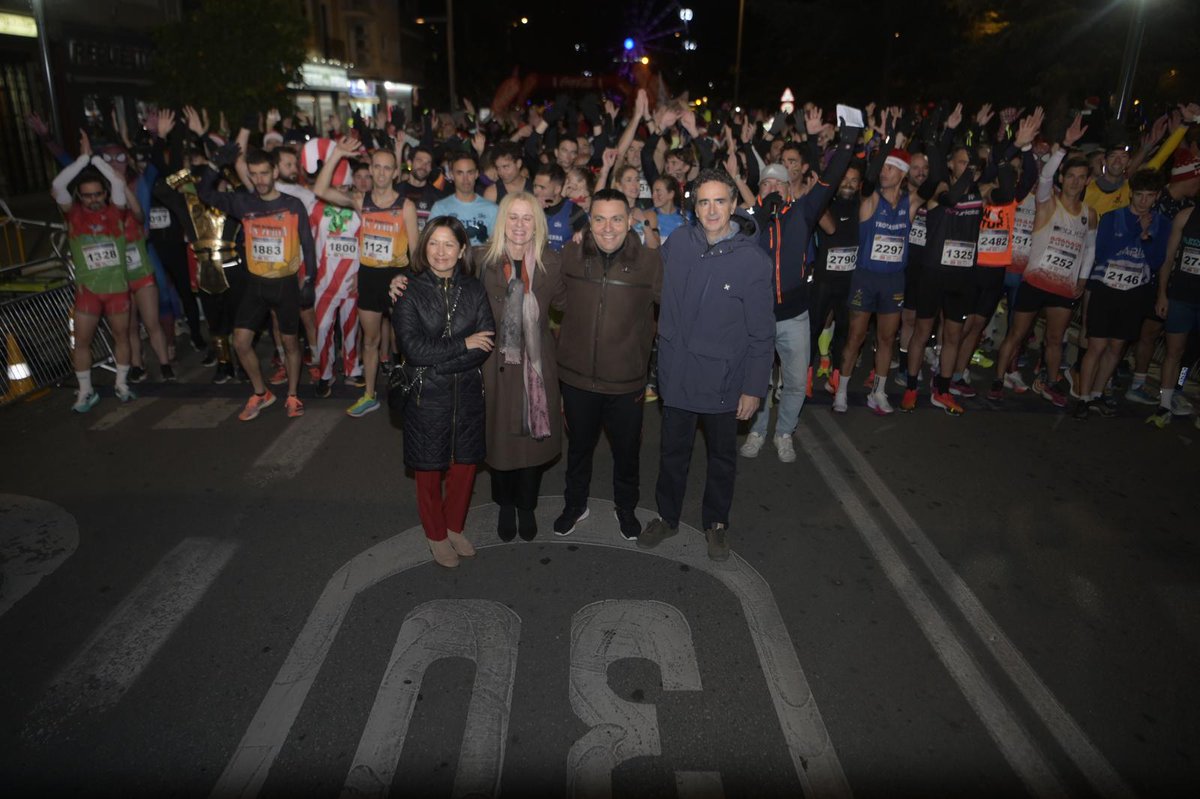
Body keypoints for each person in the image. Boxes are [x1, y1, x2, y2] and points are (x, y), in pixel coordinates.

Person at [638, 169, 775, 561]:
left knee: (722, 458)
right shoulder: (679, 241)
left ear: (733, 204)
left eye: (720, 201)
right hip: (677, 375)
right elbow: (649, 279)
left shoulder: (753, 261)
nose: (712, 209)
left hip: (724, 382)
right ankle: (667, 517)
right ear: (693, 207)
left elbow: (762, 334)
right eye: (703, 201)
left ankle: (716, 523)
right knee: (672, 454)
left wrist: (753, 388)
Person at [553, 188, 662, 540]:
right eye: (599, 219)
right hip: (576, 380)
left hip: (626, 382)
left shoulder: (649, 261)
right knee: (579, 449)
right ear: (589, 221)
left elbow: (677, 306)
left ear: (630, 220)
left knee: (627, 454)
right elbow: (544, 289)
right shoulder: (570, 254)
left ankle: (626, 508)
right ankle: (575, 504)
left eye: (617, 219)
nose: (608, 228)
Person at [394, 217, 496, 568]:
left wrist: (441, 363)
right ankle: (436, 535)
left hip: (467, 392)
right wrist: (462, 344)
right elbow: (414, 350)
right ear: (424, 247)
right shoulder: (409, 290)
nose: (441, 252)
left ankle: (454, 526)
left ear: (462, 249)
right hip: (426, 397)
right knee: (428, 468)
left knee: (465, 465)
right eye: (433, 243)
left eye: (449, 244)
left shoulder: (474, 289)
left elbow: (486, 343)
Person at [199, 146, 318, 421]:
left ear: (275, 172)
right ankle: (261, 392)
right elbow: (204, 194)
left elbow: (308, 246)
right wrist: (214, 166)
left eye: (265, 173)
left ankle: (292, 395)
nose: (261, 179)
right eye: (255, 175)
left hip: (285, 284)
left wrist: (309, 279)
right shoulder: (244, 203)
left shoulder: (292, 204)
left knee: (290, 344)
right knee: (240, 342)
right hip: (256, 285)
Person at [477, 192, 565, 541]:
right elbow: (441, 276)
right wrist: (398, 280)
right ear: (502, 222)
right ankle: (505, 505)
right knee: (498, 441)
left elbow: (572, 303)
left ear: (537, 225)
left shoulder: (551, 263)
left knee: (531, 442)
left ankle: (526, 506)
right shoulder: (481, 260)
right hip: (493, 365)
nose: (519, 225)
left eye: (527, 218)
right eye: (512, 217)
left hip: (537, 368)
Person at [991, 115, 1096, 406]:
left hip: (1063, 287)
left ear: (1088, 180)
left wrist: (1082, 280)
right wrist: (1063, 147)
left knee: (1055, 340)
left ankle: (1051, 382)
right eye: (1070, 176)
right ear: (1063, 178)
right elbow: (1046, 176)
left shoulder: (1090, 213)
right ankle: (998, 378)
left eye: (1080, 177)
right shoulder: (1047, 201)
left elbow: (1089, 250)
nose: (1075, 182)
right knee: (1017, 332)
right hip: (1035, 281)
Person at [313, 136, 419, 417]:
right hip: (370, 278)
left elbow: (417, 253)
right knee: (370, 342)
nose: (382, 173)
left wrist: (413, 283)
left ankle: (413, 393)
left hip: (399, 279)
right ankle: (369, 395)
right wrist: (337, 154)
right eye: (378, 167)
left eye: (388, 168)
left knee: (405, 343)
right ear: (370, 169)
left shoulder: (405, 206)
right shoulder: (362, 201)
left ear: (396, 172)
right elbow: (320, 189)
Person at [1074, 169, 1168, 418]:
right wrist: (1136, 231)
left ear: (1156, 197)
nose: (1143, 201)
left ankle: (1097, 393)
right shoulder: (1113, 217)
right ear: (1131, 195)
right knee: (1096, 345)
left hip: (1134, 292)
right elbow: (1103, 252)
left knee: (1116, 348)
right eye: (1139, 195)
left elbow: (1157, 261)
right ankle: (1082, 398)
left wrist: (1147, 238)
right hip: (1106, 288)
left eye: (1149, 196)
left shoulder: (1162, 223)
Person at [53, 132, 135, 412]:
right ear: (80, 197)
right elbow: (58, 184)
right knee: (82, 343)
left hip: (117, 291)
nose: (93, 200)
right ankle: (85, 392)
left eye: (98, 194)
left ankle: (122, 383)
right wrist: (82, 160)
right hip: (88, 293)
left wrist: (96, 160)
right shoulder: (73, 215)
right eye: (87, 196)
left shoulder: (117, 212)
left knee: (121, 337)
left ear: (105, 194)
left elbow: (117, 181)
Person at [1147, 204, 1200, 428]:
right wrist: (1162, 294)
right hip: (1181, 298)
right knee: (1173, 352)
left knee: (1191, 356)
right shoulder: (1186, 216)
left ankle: (1180, 388)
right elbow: (1168, 259)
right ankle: (1165, 404)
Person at [429, 153, 498, 246]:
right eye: (460, 173)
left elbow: (496, 247)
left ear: (477, 174)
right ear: (451, 175)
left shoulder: (492, 209)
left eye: (470, 172)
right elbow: (431, 243)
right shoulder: (440, 208)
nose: (465, 179)